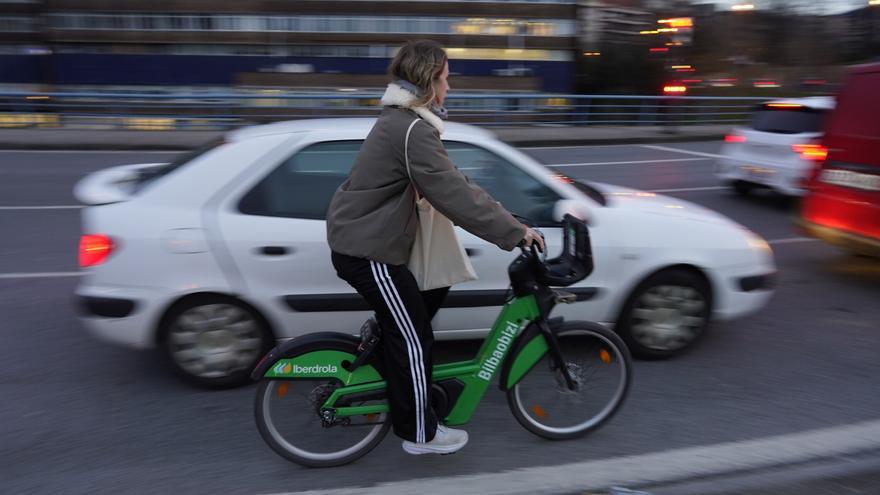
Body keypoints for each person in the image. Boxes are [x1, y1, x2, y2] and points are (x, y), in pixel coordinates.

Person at [326, 40, 544, 456]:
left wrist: (509, 219)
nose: (450, 86)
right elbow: (453, 193)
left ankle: (389, 369)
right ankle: (420, 434)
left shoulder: (406, 123)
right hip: (367, 251)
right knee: (413, 336)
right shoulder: (411, 129)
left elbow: (455, 182)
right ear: (428, 81)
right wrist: (514, 234)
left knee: (419, 311)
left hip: (370, 241)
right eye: (445, 77)